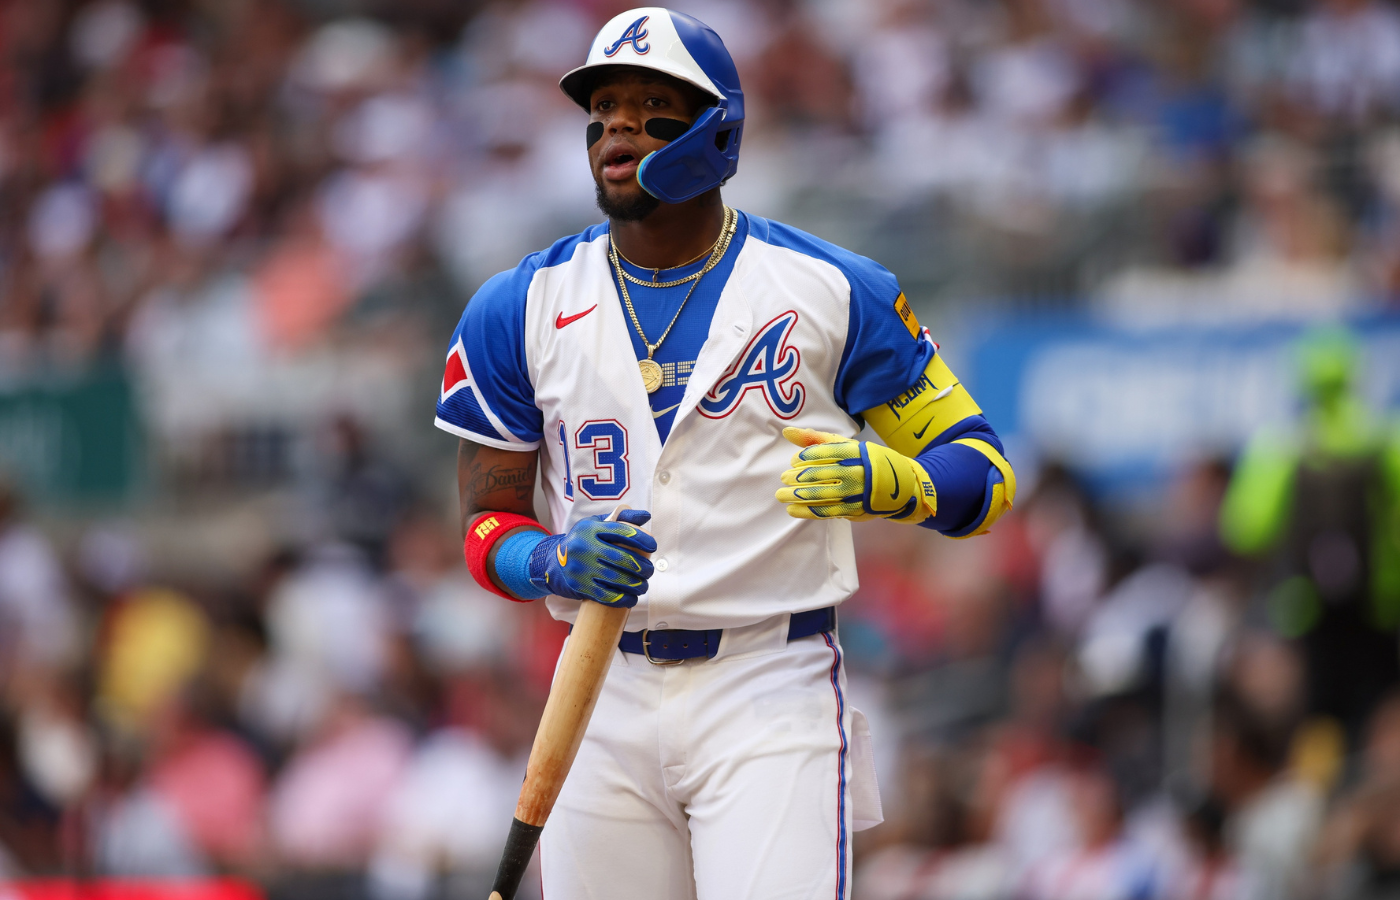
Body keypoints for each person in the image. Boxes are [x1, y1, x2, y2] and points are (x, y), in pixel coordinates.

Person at [433, 8, 1015, 898]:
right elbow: (484, 528)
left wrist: (903, 485)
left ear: (718, 128)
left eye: (649, 104)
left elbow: (985, 471)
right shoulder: (516, 306)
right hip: (601, 687)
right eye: (605, 106)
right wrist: (547, 555)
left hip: (766, 679)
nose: (618, 125)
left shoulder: (831, 287)